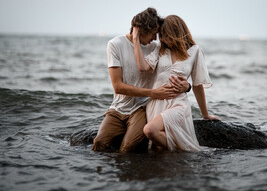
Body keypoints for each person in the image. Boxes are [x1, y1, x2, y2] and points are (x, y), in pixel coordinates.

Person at [92, 8, 190, 152]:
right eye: (153, 33)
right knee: (99, 143)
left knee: (128, 148)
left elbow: (176, 68)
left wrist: (187, 86)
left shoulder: (157, 48)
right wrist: (153, 93)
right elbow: (118, 87)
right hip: (117, 108)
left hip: (141, 108)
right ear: (141, 30)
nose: (155, 38)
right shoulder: (115, 44)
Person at [133, 15, 221, 151]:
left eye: (166, 36)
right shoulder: (160, 49)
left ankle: (184, 150)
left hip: (178, 104)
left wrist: (205, 114)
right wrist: (135, 39)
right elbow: (143, 67)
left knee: (150, 130)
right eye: (161, 36)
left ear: (176, 33)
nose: (163, 40)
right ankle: (178, 157)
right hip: (156, 104)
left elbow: (197, 85)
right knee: (158, 149)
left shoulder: (194, 51)